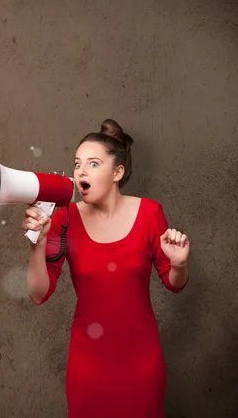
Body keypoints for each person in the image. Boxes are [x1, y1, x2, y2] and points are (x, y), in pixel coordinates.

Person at [22, 119, 190, 418]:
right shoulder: (64, 219)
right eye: (77, 164)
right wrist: (38, 243)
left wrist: (178, 264)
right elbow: (38, 293)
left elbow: (174, 283)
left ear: (118, 172)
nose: (80, 172)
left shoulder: (151, 213)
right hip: (88, 368)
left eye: (93, 163)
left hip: (142, 366)